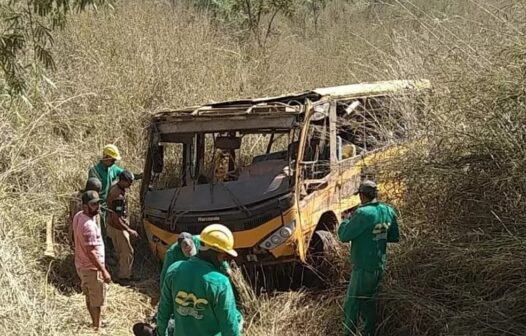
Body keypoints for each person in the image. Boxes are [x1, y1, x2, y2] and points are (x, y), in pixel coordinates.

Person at [337, 180, 400, 336]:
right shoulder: (388, 211)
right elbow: (394, 237)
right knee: (369, 304)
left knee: (352, 304)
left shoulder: (363, 213)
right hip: (378, 266)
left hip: (362, 267)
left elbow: (344, 236)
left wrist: (345, 220)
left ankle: (349, 333)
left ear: (362, 195)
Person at [157, 224, 243, 336]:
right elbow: (230, 327)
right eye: (224, 255)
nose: (224, 259)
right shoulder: (220, 283)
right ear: (220, 253)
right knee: (238, 318)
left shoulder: (174, 271)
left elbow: (163, 310)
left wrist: (159, 332)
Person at [72, 190, 112, 331]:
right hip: (91, 268)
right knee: (96, 300)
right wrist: (103, 270)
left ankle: (96, 323)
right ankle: (97, 327)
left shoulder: (78, 216)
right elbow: (91, 252)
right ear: (84, 206)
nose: (97, 207)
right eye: (93, 204)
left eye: (98, 203)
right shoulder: (88, 225)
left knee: (89, 296)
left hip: (82, 265)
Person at [160, 232, 232, 286]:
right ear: (179, 248)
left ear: (194, 242)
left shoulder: (202, 241)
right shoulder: (172, 252)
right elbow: (165, 274)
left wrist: (226, 268)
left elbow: (216, 254)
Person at [107, 170, 139, 285]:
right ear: (123, 181)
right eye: (129, 182)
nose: (130, 185)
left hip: (117, 226)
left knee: (122, 251)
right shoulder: (118, 196)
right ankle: (123, 277)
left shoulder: (116, 187)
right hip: (118, 228)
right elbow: (116, 218)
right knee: (126, 252)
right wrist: (129, 230)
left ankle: (126, 273)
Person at [68, 178, 103, 245]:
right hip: (84, 230)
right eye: (96, 191)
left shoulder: (75, 196)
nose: (97, 193)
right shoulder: (79, 199)